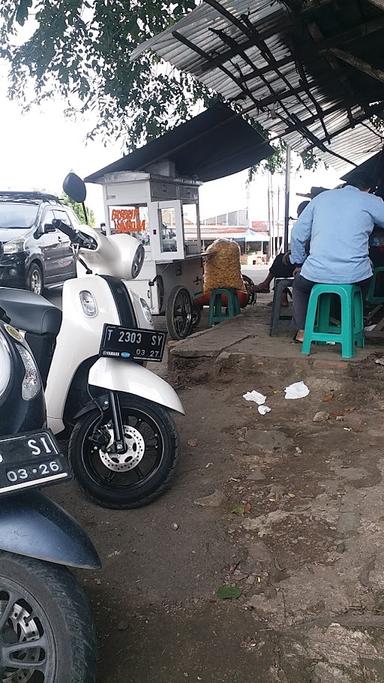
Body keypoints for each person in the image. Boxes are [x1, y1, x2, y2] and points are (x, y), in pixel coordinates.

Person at [290, 171, 384, 343]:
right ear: (368, 188)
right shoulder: (371, 200)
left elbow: (297, 234)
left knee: (300, 287)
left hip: (316, 272)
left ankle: (303, 331)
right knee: (365, 281)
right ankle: (353, 324)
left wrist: (298, 262)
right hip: (355, 274)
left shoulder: (321, 198)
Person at [253, 201, 310, 305]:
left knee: (280, 261)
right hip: (310, 262)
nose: (298, 216)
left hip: (308, 266)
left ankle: (272, 289)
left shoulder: (306, 226)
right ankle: (274, 290)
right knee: (281, 259)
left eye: (299, 213)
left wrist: (294, 259)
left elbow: (305, 250)